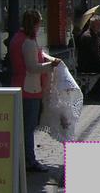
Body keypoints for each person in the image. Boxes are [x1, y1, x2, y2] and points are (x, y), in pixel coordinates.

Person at [10, 9, 63, 171]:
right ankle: (30, 160)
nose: (40, 27)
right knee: (29, 127)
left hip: (20, 85)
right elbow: (32, 67)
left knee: (24, 126)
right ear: (34, 24)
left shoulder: (16, 39)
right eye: (39, 23)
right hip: (29, 88)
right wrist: (50, 65)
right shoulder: (28, 41)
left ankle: (24, 158)